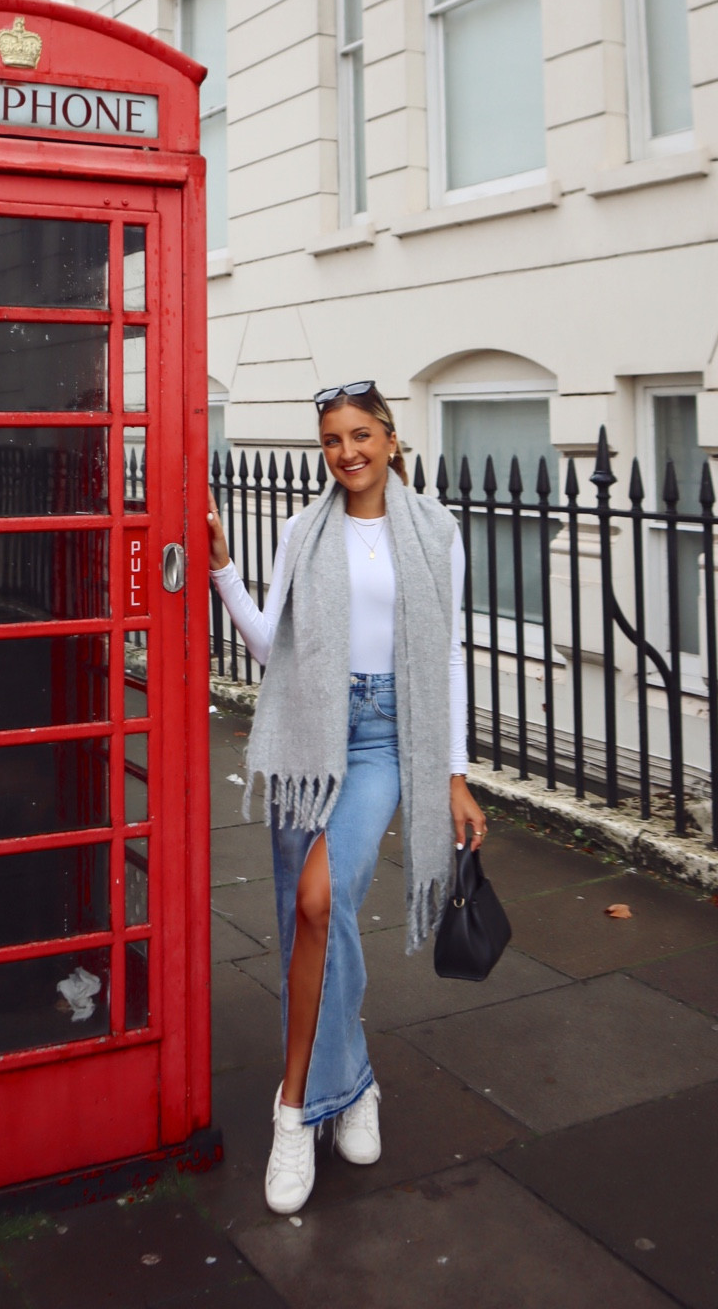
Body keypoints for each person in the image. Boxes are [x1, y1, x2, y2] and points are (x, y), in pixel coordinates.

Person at [206, 381, 485, 1216]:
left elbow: (450, 654)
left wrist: (454, 770)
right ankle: (349, 1080)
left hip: (386, 740)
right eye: (332, 440)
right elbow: (274, 647)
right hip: (309, 734)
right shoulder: (303, 530)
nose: (347, 452)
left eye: (361, 435)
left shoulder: (437, 532)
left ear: (392, 439)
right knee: (309, 920)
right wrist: (223, 572)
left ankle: (293, 1108)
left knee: (325, 899)